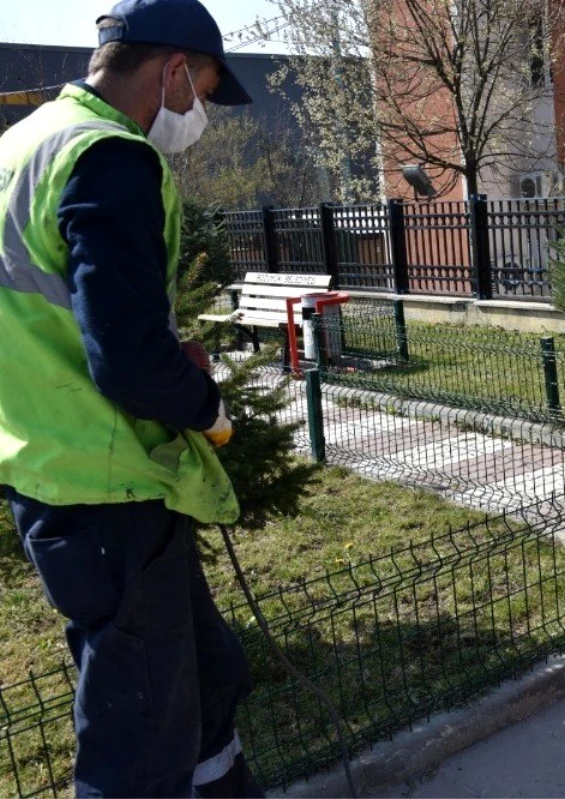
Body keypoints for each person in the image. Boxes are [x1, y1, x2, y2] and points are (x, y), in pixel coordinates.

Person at [0, 0, 261, 795]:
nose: (200, 112)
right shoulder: (108, 155)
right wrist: (206, 403)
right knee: (138, 740)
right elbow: (130, 360)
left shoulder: (21, 145)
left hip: (56, 467)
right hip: (105, 482)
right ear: (173, 69)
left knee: (204, 679)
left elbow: (78, 318)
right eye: (205, 90)